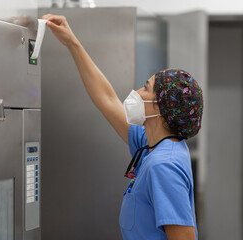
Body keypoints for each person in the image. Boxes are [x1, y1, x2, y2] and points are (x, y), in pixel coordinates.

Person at [42, 14, 204, 240]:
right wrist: (72, 42)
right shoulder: (153, 145)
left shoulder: (163, 165)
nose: (137, 93)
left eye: (146, 89)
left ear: (161, 108)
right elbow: (107, 100)